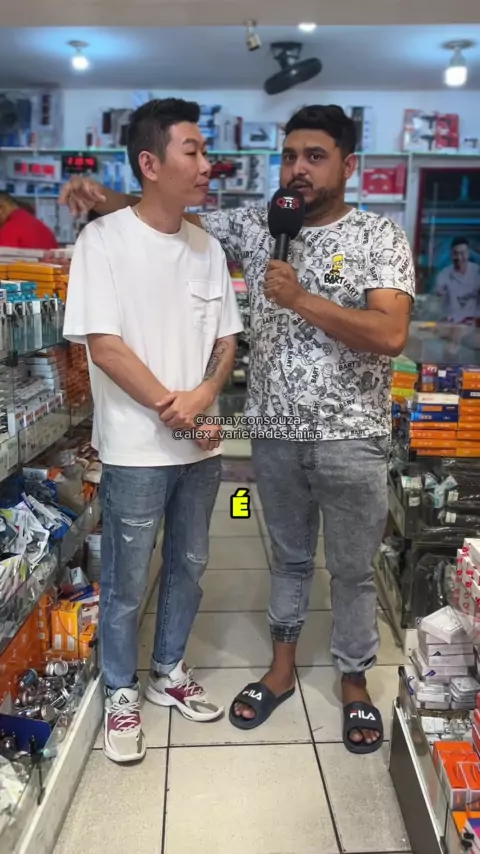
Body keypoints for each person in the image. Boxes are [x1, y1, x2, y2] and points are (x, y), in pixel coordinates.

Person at [60, 103, 415, 755]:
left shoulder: (377, 236)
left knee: (352, 569)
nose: (298, 170)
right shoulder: (258, 223)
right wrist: (102, 196)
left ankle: (354, 680)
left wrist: (301, 299)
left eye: (315, 157)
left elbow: (391, 333)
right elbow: (166, 211)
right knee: (287, 559)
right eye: (290, 156)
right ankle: (280, 669)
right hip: (272, 434)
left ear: (348, 165)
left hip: (351, 436)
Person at [62, 98, 243, 765]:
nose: (206, 163)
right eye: (193, 151)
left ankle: (167, 670)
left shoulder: (207, 247)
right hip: (137, 449)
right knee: (126, 578)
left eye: (205, 151)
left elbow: (225, 340)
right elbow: (104, 346)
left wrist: (204, 398)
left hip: (201, 448)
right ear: (150, 163)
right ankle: (120, 688)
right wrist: (176, 407)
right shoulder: (102, 242)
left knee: (190, 566)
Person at [434, 237, 480, 324]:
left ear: (468, 254)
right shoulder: (444, 275)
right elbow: (437, 302)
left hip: (475, 324)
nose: (459, 257)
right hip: (451, 324)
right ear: (451, 255)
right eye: (455, 253)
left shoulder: (477, 272)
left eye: (462, 253)